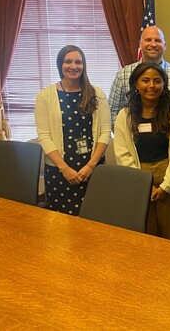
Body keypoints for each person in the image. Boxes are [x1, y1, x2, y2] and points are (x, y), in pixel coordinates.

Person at [114, 62, 170, 242]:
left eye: (157, 81)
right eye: (145, 80)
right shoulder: (126, 115)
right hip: (139, 176)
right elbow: (122, 154)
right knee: (145, 234)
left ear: (164, 84)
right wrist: (143, 184)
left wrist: (166, 187)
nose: (151, 86)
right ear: (136, 84)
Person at [35, 45, 110, 215]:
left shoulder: (96, 93)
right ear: (60, 64)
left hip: (93, 169)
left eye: (78, 62)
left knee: (95, 220)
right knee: (61, 226)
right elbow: (44, 137)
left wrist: (91, 166)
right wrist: (65, 169)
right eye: (68, 61)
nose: (73, 66)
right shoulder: (45, 96)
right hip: (59, 171)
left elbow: (105, 132)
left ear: (84, 65)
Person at [109, 26, 170, 127]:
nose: (153, 44)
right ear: (140, 44)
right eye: (148, 40)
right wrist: (126, 135)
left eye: (157, 40)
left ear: (165, 45)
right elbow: (112, 112)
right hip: (133, 138)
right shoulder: (123, 74)